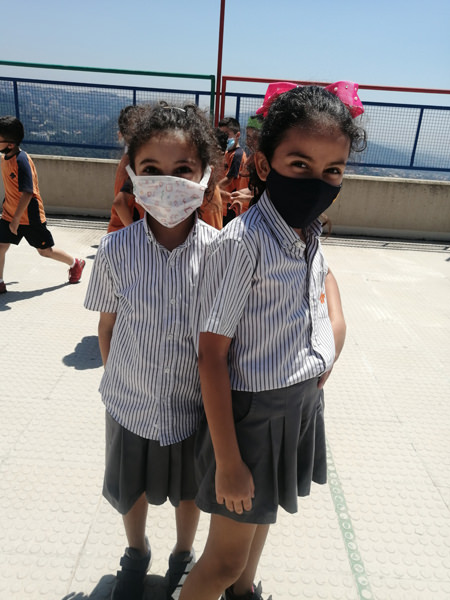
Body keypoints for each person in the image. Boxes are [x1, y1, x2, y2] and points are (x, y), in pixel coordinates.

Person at [179, 82, 366, 600]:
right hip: (250, 420)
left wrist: (329, 345)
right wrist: (229, 462)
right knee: (222, 560)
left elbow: (323, 286)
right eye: (299, 164)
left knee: (262, 518)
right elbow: (211, 356)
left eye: (333, 170)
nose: (317, 182)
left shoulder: (307, 232)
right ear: (264, 165)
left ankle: (244, 594)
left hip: (297, 406)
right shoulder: (244, 244)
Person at [84, 101, 220, 600]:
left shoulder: (223, 253)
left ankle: (183, 555)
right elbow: (107, 326)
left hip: (193, 407)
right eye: (151, 170)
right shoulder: (115, 250)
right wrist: (120, 381)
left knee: (190, 490)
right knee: (131, 487)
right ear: (133, 175)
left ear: (205, 175)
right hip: (128, 403)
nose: (167, 183)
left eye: (182, 170)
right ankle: (136, 551)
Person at [0, 116, 85, 294]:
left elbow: (27, 192)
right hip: (9, 213)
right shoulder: (5, 157)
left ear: (10, 144)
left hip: (29, 217)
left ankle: (75, 263)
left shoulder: (21, 161)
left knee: (45, 251)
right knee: (1, 246)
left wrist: (16, 220)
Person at [107, 105, 145, 233]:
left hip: (119, 232)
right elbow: (120, 203)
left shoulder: (127, 159)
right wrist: (136, 234)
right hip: (124, 233)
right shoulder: (133, 163)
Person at [228, 115, 264, 218]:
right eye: (248, 137)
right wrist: (237, 194)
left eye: (254, 137)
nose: (249, 142)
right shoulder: (252, 158)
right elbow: (253, 190)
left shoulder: (265, 164)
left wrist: (244, 198)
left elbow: (265, 197)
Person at [217, 117, 248, 225]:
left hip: (232, 203)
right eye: (222, 134)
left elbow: (229, 179)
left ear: (237, 135)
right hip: (225, 202)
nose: (224, 137)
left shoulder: (237, 155)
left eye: (227, 134)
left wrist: (213, 189)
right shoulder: (227, 153)